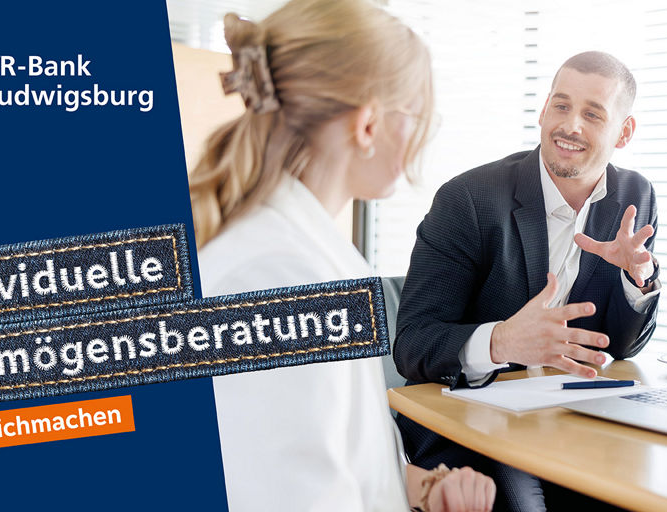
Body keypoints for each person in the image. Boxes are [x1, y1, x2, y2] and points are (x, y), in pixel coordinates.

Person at [189, 2, 494, 511]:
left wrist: (418, 487)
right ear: (369, 124)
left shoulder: (306, 255)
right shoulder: (282, 277)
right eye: (417, 118)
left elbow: (317, 448)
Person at [392, 51, 660, 510]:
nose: (570, 125)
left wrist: (637, 280)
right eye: (561, 105)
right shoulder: (469, 199)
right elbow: (413, 344)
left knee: (639, 495)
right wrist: (500, 342)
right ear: (542, 111)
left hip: (573, 416)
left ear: (625, 132)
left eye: (593, 114)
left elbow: (618, 346)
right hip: (471, 419)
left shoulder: (634, 196)